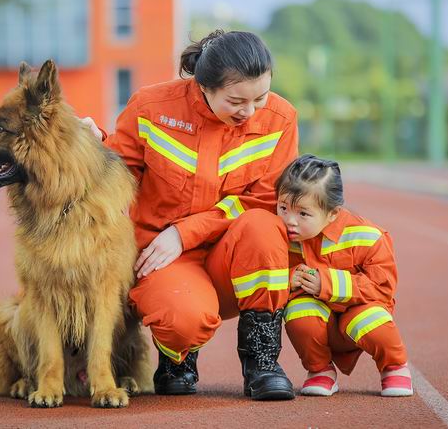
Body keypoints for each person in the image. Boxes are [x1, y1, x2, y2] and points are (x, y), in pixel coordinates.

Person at [86, 30, 299, 400]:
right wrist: (89, 148)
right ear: (204, 86)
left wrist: (184, 233)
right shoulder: (151, 107)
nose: (248, 112)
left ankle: (262, 362)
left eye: (260, 98)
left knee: (265, 227)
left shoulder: (280, 120)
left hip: (233, 257)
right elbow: (118, 174)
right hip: (164, 258)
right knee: (182, 321)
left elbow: (265, 200)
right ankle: (176, 359)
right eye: (236, 100)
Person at [275, 155, 413, 397]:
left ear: (332, 213)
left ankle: (393, 366)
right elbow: (267, 273)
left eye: (303, 214)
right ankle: (319, 370)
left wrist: (326, 283)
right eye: (283, 208)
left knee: (369, 321)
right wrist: (289, 279)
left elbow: (382, 288)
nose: (290, 221)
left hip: (358, 309)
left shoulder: (368, 236)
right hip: (319, 316)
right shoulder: (281, 236)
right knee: (299, 313)